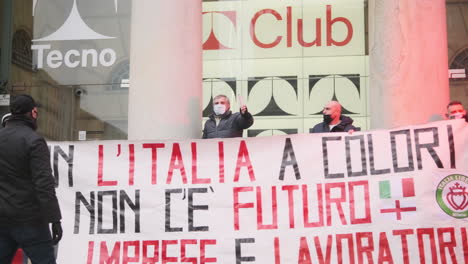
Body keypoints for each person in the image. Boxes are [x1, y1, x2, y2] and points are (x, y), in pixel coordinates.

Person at [0, 94, 62, 263]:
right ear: (33, 113)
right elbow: (44, 184)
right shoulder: (33, 141)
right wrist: (54, 219)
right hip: (30, 220)